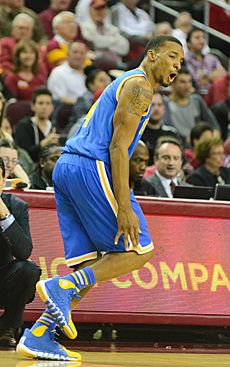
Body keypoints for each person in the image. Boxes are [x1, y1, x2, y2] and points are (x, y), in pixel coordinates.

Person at [17, 35, 184, 361]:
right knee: (139, 249)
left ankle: (39, 335)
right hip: (91, 164)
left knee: (93, 265)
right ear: (151, 56)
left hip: (67, 166)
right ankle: (60, 287)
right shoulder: (140, 87)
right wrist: (124, 205)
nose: (177, 64)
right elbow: (118, 147)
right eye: (172, 56)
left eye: (181, 61)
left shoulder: (127, 83)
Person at [0, 156, 41, 347]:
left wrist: (4, 215)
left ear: (3, 179)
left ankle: (7, 328)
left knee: (28, 270)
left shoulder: (16, 206)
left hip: (3, 280)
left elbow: (24, 251)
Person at [168, 67, 220, 142]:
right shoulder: (166, 105)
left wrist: (212, 143)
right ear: (172, 83)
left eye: (189, 81)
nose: (187, 86)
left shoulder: (197, 100)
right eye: (182, 82)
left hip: (202, 144)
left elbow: (215, 127)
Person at [79, 0, 129, 70]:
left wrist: (104, 43)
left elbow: (124, 48)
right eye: (97, 9)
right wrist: (114, 41)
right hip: (95, 64)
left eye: (103, 9)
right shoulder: (84, 26)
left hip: (116, 65)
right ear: (90, 12)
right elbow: (95, 42)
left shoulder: (112, 28)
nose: (100, 12)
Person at [14, 87, 60, 163]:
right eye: (40, 103)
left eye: (48, 103)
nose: (44, 107)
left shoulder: (54, 128)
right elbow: (23, 156)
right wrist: (44, 143)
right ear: (33, 106)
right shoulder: (24, 126)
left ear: (52, 107)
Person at [141, 91, 180, 165]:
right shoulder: (139, 134)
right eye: (152, 105)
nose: (156, 108)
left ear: (164, 108)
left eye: (159, 105)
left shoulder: (172, 133)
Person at [185, 28, 226, 96]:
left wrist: (206, 76)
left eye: (203, 37)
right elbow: (195, 81)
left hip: (214, 94)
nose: (202, 40)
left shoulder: (212, 58)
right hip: (195, 95)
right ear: (188, 43)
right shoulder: (185, 59)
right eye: (197, 38)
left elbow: (223, 76)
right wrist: (213, 75)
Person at [47, 41, 88, 105]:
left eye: (82, 53)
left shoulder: (89, 71)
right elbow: (61, 98)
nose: (78, 56)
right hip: (68, 109)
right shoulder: (58, 72)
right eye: (75, 52)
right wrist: (82, 104)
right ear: (68, 54)